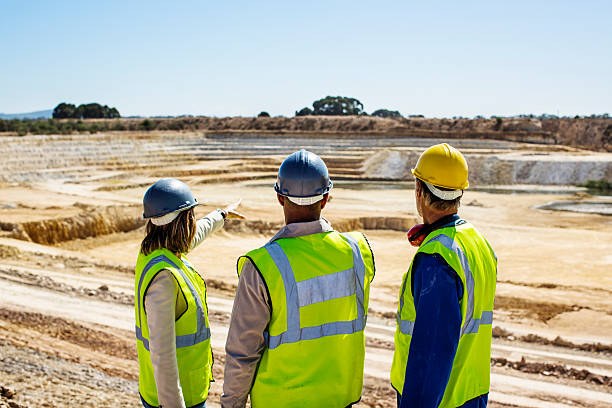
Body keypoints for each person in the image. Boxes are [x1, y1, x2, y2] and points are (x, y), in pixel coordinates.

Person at [221, 150, 375, 408]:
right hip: (340, 399)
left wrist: (231, 405)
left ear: (280, 198)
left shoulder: (262, 265)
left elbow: (242, 353)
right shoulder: (357, 252)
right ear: (326, 198)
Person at [391, 143, 497, 408]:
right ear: (460, 193)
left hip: (442, 401)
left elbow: (430, 355)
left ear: (419, 191)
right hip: (473, 393)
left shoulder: (437, 258)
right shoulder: (478, 242)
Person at [135, 178, 243, 408]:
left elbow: (193, 237)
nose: (194, 220)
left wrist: (221, 215)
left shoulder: (153, 251)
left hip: (163, 393)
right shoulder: (164, 278)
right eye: (191, 215)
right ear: (182, 220)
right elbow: (162, 357)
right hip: (177, 399)